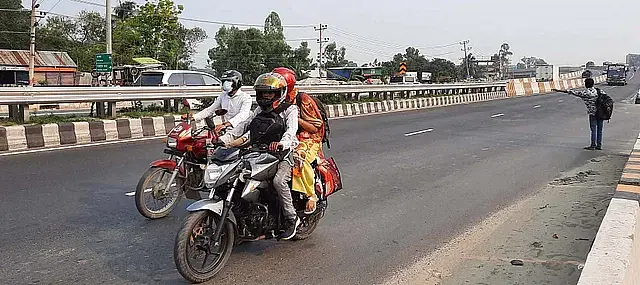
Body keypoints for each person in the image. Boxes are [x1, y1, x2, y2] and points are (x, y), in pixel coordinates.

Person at [228, 72, 301, 240]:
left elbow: (291, 131)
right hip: (259, 153)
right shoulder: (259, 110)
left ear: (279, 93)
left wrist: (282, 144)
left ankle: (291, 219)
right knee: (238, 176)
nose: (266, 96)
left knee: (278, 181)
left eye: (270, 93)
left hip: (284, 154)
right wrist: (224, 139)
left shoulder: (289, 109)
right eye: (263, 92)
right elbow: (243, 126)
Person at [272, 67, 325, 215]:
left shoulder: (302, 99)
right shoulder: (274, 98)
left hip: (306, 137)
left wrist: (294, 119)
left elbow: (315, 127)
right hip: (283, 136)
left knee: (298, 157)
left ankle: (311, 195)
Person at [191, 70, 253, 144]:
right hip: (225, 130)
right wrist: (194, 117)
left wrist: (225, 124)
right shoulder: (223, 95)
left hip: (240, 131)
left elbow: (243, 115)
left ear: (237, 82)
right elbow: (210, 109)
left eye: (228, 81)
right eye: (224, 82)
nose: (225, 84)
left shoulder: (245, 98)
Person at [553, 77, 606, 150]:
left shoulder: (585, 93)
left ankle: (593, 145)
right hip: (602, 112)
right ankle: (599, 145)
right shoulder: (599, 91)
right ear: (593, 84)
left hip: (593, 113)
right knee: (600, 130)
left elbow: (572, 92)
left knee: (593, 129)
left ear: (586, 84)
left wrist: (558, 90)